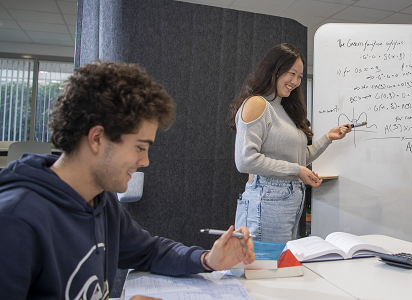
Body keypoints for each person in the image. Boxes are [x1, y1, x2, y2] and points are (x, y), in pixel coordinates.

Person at [0, 61, 256, 300]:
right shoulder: (16, 219)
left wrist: (207, 260)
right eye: (139, 147)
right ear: (97, 138)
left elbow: (149, 251)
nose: (145, 161)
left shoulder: (101, 201)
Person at [227, 43, 350, 243]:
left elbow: (299, 157)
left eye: (300, 77)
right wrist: (296, 170)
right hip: (267, 199)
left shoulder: (285, 110)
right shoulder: (257, 104)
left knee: (280, 267)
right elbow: (245, 161)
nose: (295, 81)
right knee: (265, 267)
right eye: (291, 74)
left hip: (289, 200)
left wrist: (328, 138)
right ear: (274, 70)